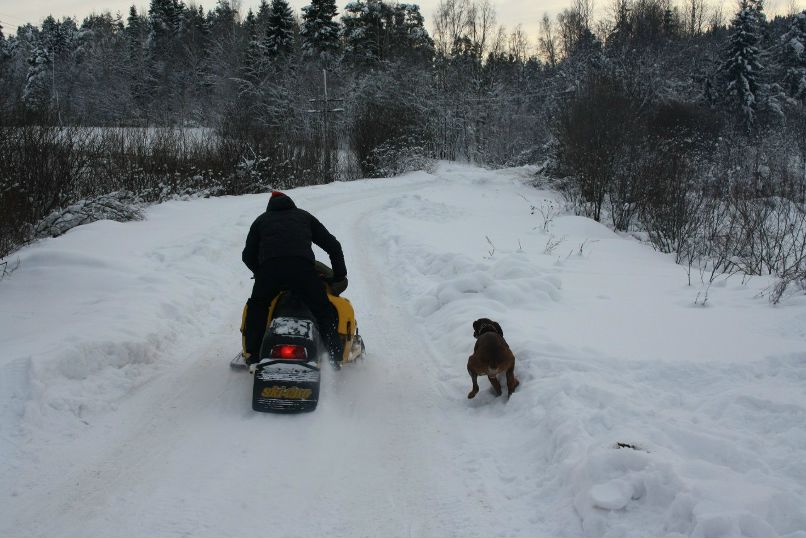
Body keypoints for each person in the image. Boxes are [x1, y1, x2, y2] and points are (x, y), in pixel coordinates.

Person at [241, 191, 347, 366]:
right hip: (302, 269)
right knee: (323, 310)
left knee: (257, 307)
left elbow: (247, 256)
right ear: (291, 203)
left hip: (270, 270)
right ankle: (335, 357)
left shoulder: (261, 221)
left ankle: (253, 355)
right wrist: (339, 275)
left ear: (270, 206)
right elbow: (333, 246)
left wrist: (260, 273)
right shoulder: (303, 216)